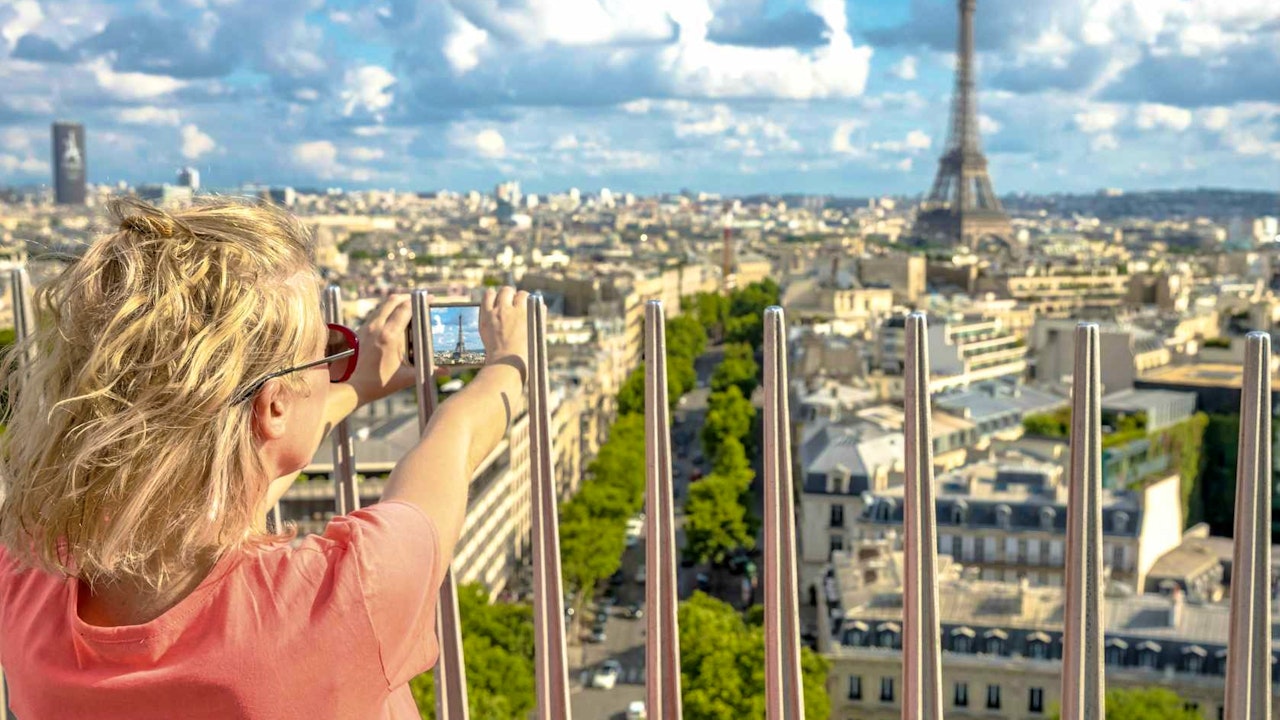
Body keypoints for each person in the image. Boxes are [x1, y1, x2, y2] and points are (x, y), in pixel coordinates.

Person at [0, 198, 529, 718]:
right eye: (326, 349)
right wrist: (509, 363)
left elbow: (207, 483)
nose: (334, 363)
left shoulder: (24, 577)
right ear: (273, 404)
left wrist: (356, 385)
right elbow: (453, 444)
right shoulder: (339, 602)